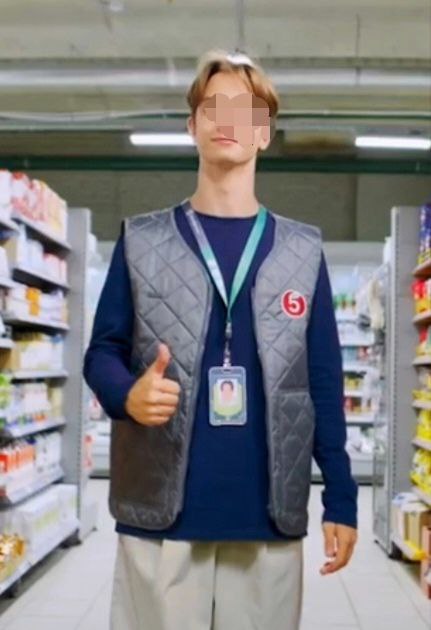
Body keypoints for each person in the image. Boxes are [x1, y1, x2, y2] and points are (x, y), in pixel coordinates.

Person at [83, 47, 358, 630]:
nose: (228, 120)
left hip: (267, 516)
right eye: (214, 106)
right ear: (193, 125)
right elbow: (102, 351)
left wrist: (341, 497)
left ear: (264, 133)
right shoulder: (143, 241)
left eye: (245, 109)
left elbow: (323, 383)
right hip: (161, 516)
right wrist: (126, 394)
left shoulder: (302, 251)